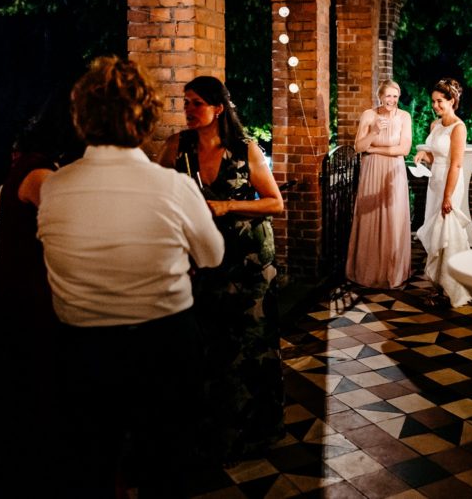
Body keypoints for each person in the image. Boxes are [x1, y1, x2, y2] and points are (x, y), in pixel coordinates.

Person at [37, 57, 225, 498]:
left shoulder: (55, 187)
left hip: (82, 348)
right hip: (164, 344)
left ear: (80, 115)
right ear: (144, 116)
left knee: (93, 464)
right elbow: (212, 254)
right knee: (167, 464)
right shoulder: (172, 187)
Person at [158, 75, 286, 464]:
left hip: (248, 262)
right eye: (187, 102)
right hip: (201, 263)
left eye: (198, 103)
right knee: (209, 347)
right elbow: (159, 196)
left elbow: (274, 203)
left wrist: (227, 206)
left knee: (252, 346)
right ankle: (211, 433)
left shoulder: (244, 149)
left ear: (218, 108)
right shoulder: (176, 148)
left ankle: (257, 432)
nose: (190, 110)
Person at [0, 89, 83, 491]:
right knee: (39, 406)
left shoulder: (36, 167)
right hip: (29, 309)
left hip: (26, 303)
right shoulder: (40, 175)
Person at [345, 79, 413, 288]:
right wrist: (373, 131)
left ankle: (393, 271)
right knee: (369, 218)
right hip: (371, 171)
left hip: (394, 172)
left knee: (393, 217)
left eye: (395, 96)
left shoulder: (404, 117)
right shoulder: (369, 115)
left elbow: (403, 150)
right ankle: (368, 270)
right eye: (388, 96)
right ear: (380, 96)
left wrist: (374, 150)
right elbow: (358, 147)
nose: (391, 100)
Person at [415, 78, 472, 307]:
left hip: (449, 183)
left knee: (447, 235)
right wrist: (423, 156)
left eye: (440, 101)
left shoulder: (458, 127)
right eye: (433, 101)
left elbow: (456, 164)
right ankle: (439, 287)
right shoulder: (435, 125)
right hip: (434, 182)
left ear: (452, 100)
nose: (436, 105)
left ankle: (453, 289)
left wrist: (448, 196)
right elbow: (436, 157)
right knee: (435, 235)